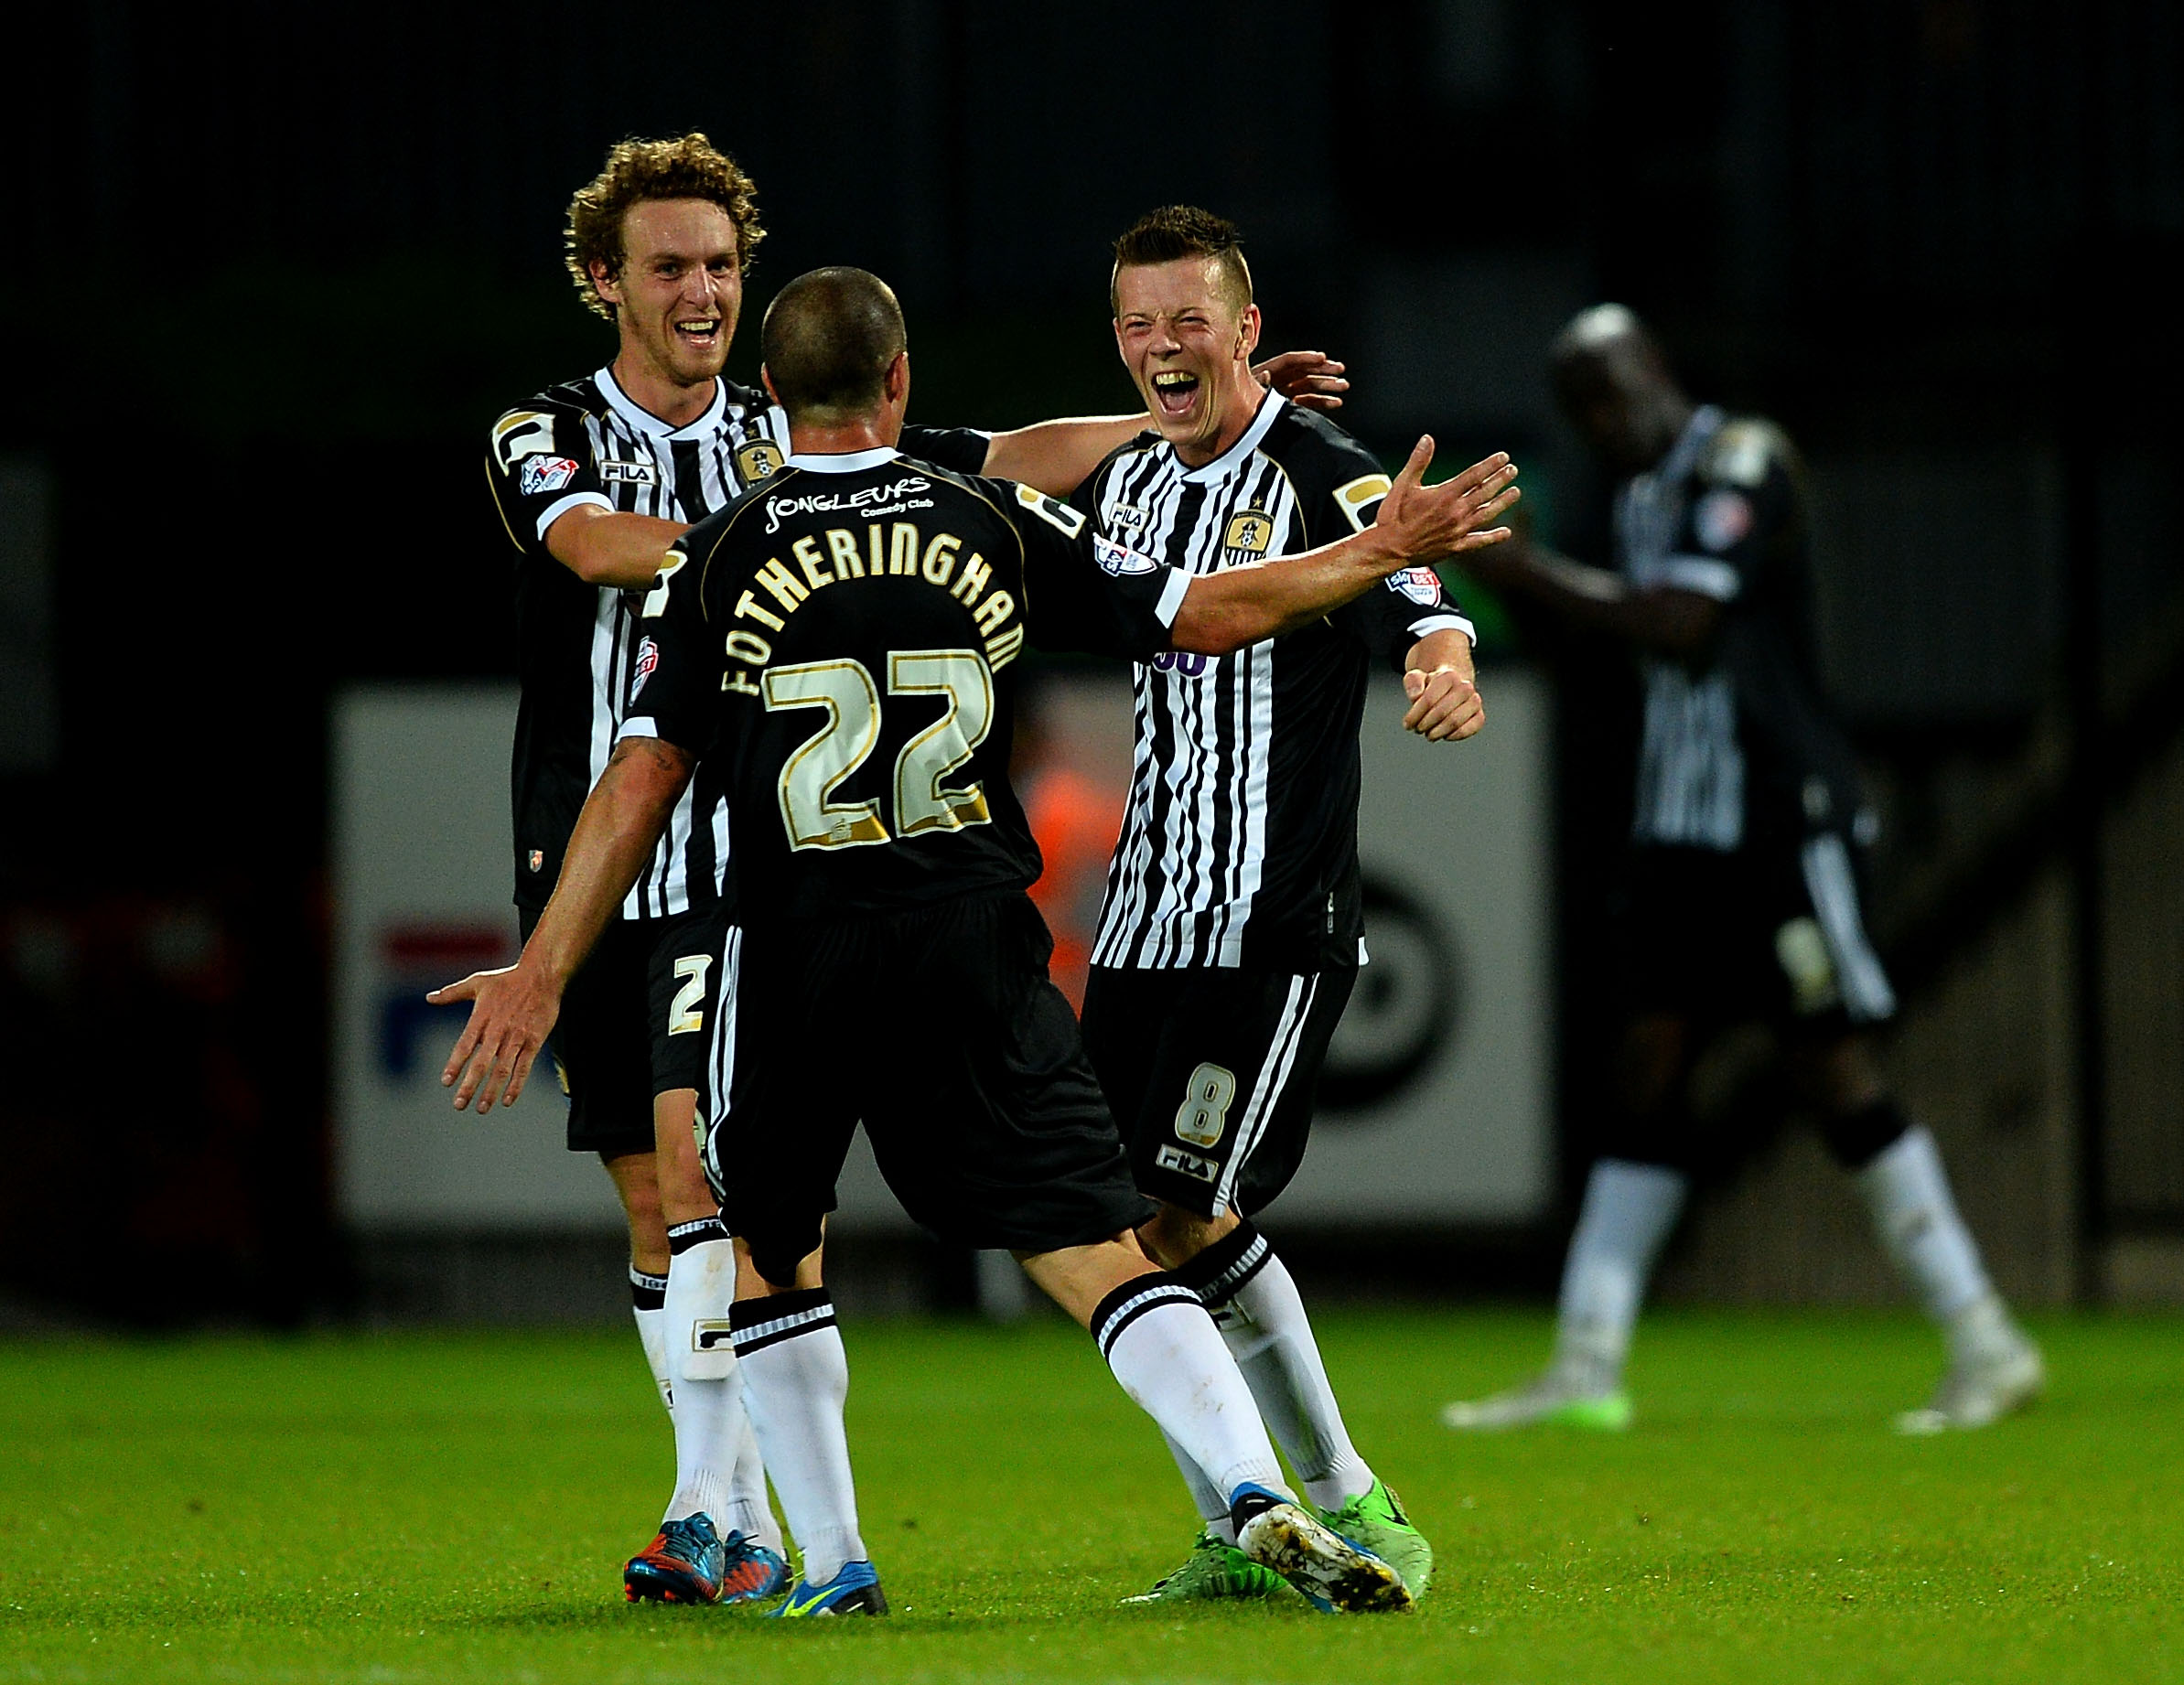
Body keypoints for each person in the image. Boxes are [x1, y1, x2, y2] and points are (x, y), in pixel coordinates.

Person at [439, 264, 1522, 1615]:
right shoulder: (992, 519)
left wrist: (542, 967)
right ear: (900, 381)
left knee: (766, 1245)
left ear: (769, 394)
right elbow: (1204, 610)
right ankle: (1255, 1491)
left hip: (793, 945)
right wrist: (1372, 553)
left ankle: (834, 1560)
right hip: (969, 936)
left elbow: (641, 777)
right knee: (1095, 1239)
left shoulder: (715, 551)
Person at [1440, 304, 2043, 1435]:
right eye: (1584, 408)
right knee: (1647, 1063)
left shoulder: (1742, 460)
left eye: (1613, 391)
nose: (1606, 421)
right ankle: (1585, 1362)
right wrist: (1503, 582)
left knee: (1829, 1067)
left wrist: (1525, 570)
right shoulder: (1634, 498)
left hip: (1775, 822)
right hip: (1678, 827)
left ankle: (1983, 1338)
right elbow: (1610, 643)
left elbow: (1681, 625)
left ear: (1655, 368)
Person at [1070, 207, 1489, 1606]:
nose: (1163, 346)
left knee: (1181, 1212)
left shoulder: (1319, 466)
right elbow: (996, 463)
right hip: (1141, 919)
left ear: (1245, 328)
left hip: (1268, 918)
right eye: (1139, 324)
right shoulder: (1127, 477)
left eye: (1189, 320)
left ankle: (1352, 1498)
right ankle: (1232, 1528)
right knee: (1123, 1227)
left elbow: (1410, 580)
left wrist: (1441, 658)